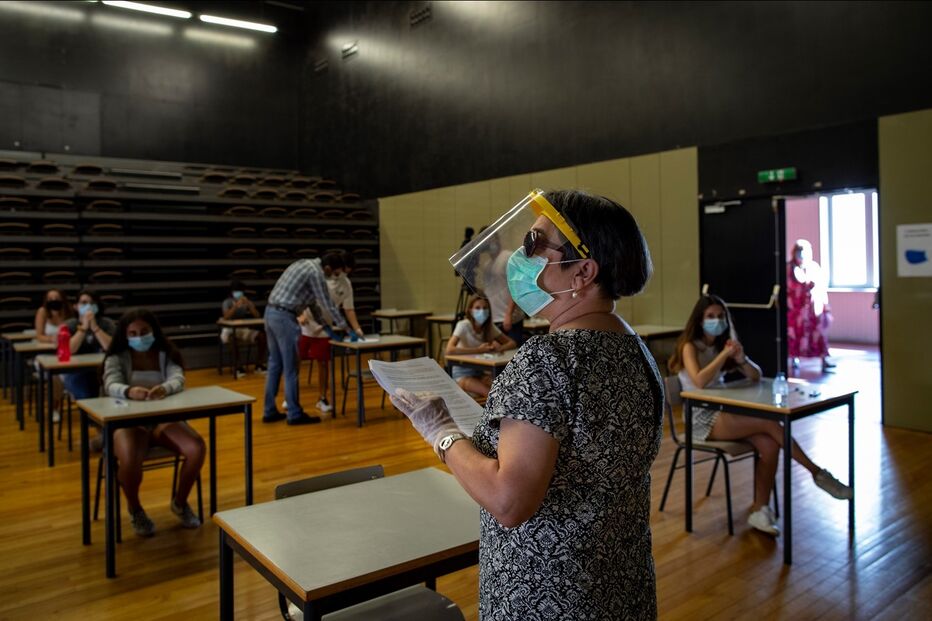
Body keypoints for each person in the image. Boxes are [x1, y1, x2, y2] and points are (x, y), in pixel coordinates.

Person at [394, 189, 663, 619]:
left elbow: (509, 501)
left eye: (535, 245)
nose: (521, 256)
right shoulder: (636, 351)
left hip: (547, 592)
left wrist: (440, 432)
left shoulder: (547, 359)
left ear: (583, 273)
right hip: (619, 582)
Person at [667, 294, 853, 537]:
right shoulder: (689, 346)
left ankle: (759, 509)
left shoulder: (719, 346)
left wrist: (740, 358)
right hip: (700, 419)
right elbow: (699, 381)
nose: (716, 320)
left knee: (769, 444)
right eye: (710, 317)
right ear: (699, 320)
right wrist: (724, 356)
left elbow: (756, 375)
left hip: (723, 413)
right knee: (769, 422)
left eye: (720, 316)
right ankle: (817, 473)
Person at [102, 308, 205, 537]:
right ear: (125, 335)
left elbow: (177, 378)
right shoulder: (116, 357)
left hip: (162, 420)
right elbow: (110, 384)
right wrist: (129, 391)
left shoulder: (165, 352)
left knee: (196, 447)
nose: (139, 336)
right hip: (128, 422)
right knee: (129, 459)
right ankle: (135, 507)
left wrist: (164, 388)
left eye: (144, 331)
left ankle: (180, 502)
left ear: (153, 331)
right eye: (133, 333)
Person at [263, 252, 349, 425]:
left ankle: (269, 410)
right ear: (327, 268)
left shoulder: (304, 264)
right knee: (291, 368)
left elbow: (313, 304)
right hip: (284, 317)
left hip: (270, 313)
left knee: (275, 364)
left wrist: (325, 326)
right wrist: (345, 327)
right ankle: (294, 414)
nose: (335, 277)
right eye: (335, 273)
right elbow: (326, 303)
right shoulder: (316, 273)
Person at [297, 251, 366, 414]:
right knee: (295, 363)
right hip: (305, 326)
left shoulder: (345, 283)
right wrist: (300, 315)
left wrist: (357, 329)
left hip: (324, 328)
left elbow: (348, 309)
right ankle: (291, 397)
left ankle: (322, 398)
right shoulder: (317, 277)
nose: (342, 273)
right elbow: (299, 297)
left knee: (323, 363)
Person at [445, 294, 516, 398]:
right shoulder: (463, 325)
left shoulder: (488, 327)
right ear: (470, 310)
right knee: (490, 393)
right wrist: (478, 350)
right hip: (461, 374)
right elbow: (449, 350)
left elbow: (512, 343)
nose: (482, 311)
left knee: (505, 388)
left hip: (481, 372)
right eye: (477, 308)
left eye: (485, 308)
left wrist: (498, 349)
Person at [787, 239, 834, 373]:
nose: (802, 254)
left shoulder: (814, 267)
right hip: (796, 311)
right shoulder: (789, 268)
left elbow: (821, 288)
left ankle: (824, 360)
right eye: (799, 251)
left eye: (805, 251)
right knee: (795, 335)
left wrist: (826, 308)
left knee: (818, 334)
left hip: (814, 309)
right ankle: (794, 358)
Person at [61, 289, 115, 400]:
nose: (89, 306)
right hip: (76, 372)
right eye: (84, 303)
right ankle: (87, 415)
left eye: (92, 303)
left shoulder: (106, 323)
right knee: (86, 387)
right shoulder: (69, 324)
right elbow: (70, 350)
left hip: (102, 370)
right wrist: (84, 327)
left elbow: (110, 347)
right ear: (76, 306)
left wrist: (95, 327)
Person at [481, 228, 527, 346]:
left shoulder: (508, 257)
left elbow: (517, 286)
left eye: (491, 239)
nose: (489, 243)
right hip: (494, 318)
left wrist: (508, 314)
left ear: (497, 239)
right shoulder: (487, 265)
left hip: (510, 318)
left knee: (511, 354)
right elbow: (489, 291)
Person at [219, 279, 267, 376]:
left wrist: (250, 306)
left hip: (242, 329)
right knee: (233, 340)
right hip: (229, 330)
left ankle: (259, 365)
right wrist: (235, 306)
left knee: (262, 336)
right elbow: (225, 317)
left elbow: (257, 316)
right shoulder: (227, 302)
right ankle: (238, 367)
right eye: (237, 291)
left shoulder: (246, 301)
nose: (239, 293)